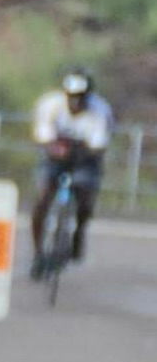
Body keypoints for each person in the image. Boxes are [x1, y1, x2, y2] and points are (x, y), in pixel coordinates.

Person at [30, 67, 113, 265]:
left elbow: (97, 145)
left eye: (80, 98)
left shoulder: (100, 111)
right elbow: (43, 135)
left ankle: (79, 230)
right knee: (42, 198)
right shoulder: (50, 104)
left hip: (85, 158)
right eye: (72, 97)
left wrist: (78, 152)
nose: (76, 103)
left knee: (86, 193)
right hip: (55, 156)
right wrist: (54, 148)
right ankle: (38, 250)